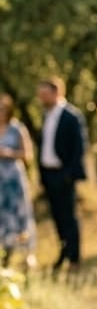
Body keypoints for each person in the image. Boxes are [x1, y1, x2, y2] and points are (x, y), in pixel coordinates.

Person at [37, 78, 88, 271]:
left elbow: (79, 148)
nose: (42, 98)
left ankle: (74, 257)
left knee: (69, 217)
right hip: (48, 174)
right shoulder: (46, 116)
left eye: (45, 94)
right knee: (57, 217)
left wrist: (69, 174)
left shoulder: (71, 116)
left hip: (63, 175)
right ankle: (63, 254)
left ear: (56, 92)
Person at [0, 94, 37, 269]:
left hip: (13, 178)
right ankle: (5, 254)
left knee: (20, 213)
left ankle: (27, 254)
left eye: (2, 109)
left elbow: (28, 155)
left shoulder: (17, 128)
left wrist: (9, 153)